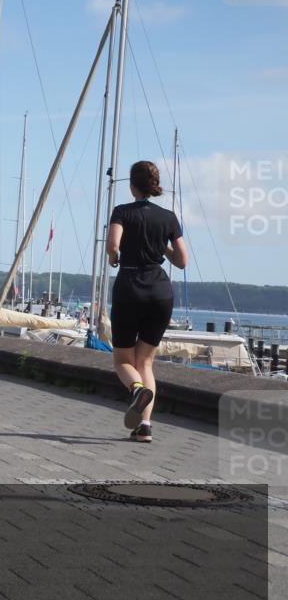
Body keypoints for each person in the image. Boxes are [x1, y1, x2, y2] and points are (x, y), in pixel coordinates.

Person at [106, 160, 188, 443]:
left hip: (130, 288)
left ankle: (137, 390)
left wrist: (114, 257)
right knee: (146, 361)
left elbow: (113, 245)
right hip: (160, 292)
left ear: (133, 186)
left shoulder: (122, 212)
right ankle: (145, 426)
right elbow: (182, 261)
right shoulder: (168, 218)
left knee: (122, 360)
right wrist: (161, 246)